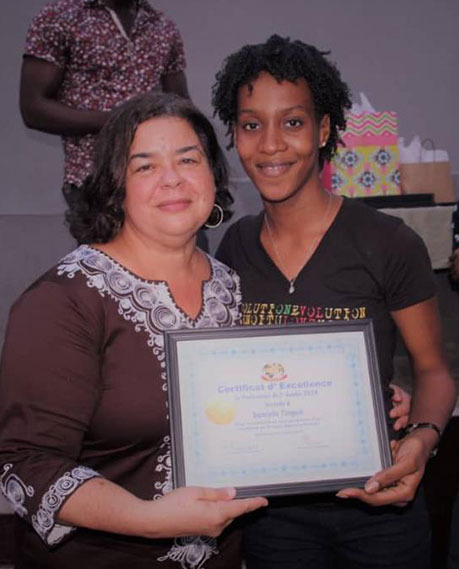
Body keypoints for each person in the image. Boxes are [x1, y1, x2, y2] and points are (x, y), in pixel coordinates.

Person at [212, 35, 457, 568]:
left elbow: (434, 371)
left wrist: (420, 440)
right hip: (272, 515)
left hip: (381, 506)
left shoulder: (388, 241)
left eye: (293, 122)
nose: (271, 144)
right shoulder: (233, 246)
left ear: (325, 130)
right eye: (251, 124)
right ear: (234, 133)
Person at [0, 92, 267, 568]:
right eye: (144, 166)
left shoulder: (230, 287)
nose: (172, 178)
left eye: (188, 159)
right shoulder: (64, 301)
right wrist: (150, 518)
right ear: (114, 187)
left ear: (213, 177)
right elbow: (26, 464)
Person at [20, 0, 189, 200]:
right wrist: (124, 120)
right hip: (95, 179)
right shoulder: (60, 17)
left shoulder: (161, 25)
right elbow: (33, 109)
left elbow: (180, 105)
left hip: (159, 175)